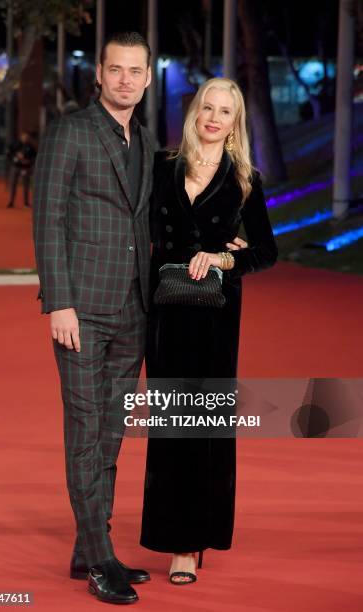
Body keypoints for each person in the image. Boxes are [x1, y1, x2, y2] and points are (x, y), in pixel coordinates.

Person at [32, 32, 156, 605]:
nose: (126, 79)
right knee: (85, 435)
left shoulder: (146, 141)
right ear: (100, 75)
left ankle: (91, 547)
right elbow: (48, 220)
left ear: (148, 78)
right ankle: (100, 559)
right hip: (81, 311)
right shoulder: (70, 132)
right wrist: (59, 301)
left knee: (110, 435)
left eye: (136, 70)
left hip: (132, 310)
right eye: (117, 70)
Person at [140, 77, 278, 584]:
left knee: (205, 431)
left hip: (216, 317)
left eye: (226, 111)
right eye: (208, 107)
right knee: (170, 429)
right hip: (166, 315)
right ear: (195, 111)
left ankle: (191, 543)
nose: (215, 117)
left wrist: (222, 255)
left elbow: (265, 252)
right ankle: (172, 536)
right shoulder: (161, 167)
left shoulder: (245, 180)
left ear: (236, 122)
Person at [6, 132, 37, 208]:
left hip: (25, 168)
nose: (24, 138)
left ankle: (26, 203)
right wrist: (15, 158)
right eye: (23, 136)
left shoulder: (30, 146)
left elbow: (34, 157)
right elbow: (9, 154)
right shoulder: (15, 145)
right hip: (16, 166)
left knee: (26, 185)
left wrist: (27, 161)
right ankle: (11, 202)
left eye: (26, 136)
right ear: (20, 137)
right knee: (13, 184)